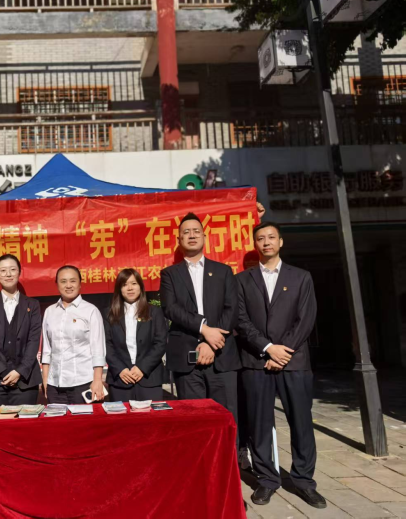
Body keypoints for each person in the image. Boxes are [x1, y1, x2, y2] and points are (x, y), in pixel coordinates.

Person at [236, 222, 325, 509]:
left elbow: (306, 318)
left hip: (293, 361)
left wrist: (282, 351)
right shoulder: (242, 280)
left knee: (301, 423)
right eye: (260, 238)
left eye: (271, 237)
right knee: (259, 424)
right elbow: (241, 320)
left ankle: (303, 481)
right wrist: (267, 348)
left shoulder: (301, 277)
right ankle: (267, 479)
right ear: (255, 244)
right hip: (256, 361)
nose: (266, 242)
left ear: (281, 242)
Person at [160, 213, 240, 429]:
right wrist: (204, 330)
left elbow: (232, 309)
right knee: (194, 423)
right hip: (187, 359)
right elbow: (171, 309)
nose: (192, 235)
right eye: (186, 232)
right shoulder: (169, 274)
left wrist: (212, 343)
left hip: (221, 356)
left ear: (205, 237)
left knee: (226, 420)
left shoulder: (223, 271)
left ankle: (229, 454)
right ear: (179, 240)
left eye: (196, 231)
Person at [0, 254, 42, 407]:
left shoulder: (32, 305)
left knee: (24, 422)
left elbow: (33, 340)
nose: (8, 274)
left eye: (12, 269)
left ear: (19, 272)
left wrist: (20, 371)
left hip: (25, 381)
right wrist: (2, 371)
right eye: (3, 270)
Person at [41, 266, 106, 404]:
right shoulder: (50, 311)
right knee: (56, 419)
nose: (68, 285)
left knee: (84, 418)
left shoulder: (91, 311)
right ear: (57, 284)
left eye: (73, 281)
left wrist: (97, 380)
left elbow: (98, 350)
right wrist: (45, 379)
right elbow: (47, 349)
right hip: (54, 384)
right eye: (63, 281)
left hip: (83, 383)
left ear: (80, 284)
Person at [103, 268, 167, 402]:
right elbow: (106, 344)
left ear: (140, 286)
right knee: (122, 415)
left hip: (149, 377)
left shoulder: (154, 312)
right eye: (125, 284)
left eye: (134, 283)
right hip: (120, 379)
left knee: (151, 415)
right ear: (119, 289)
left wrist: (142, 368)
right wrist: (120, 369)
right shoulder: (109, 314)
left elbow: (160, 343)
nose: (130, 288)